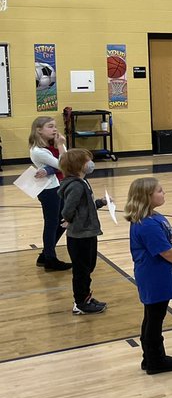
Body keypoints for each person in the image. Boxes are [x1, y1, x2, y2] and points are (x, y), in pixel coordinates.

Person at [126, 177, 172, 374]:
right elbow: (165, 251)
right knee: (155, 318)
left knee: (153, 316)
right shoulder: (147, 225)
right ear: (147, 197)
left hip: (160, 275)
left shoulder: (156, 217)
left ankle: (150, 357)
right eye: (160, 191)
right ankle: (155, 360)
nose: (164, 193)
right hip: (155, 277)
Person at [58, 148, 109, 315]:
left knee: (88, 267)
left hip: (87, 233)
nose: (91, 164)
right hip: (80, 235)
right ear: (78, 165)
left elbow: (84, 208)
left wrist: (100, 202)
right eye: (88, 161)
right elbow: (67, 210)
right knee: (82, 270)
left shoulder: (82, 183)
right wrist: (70, 220)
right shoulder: (76, 186)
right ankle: (80, 303)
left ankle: (85, 297)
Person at [28, 115, 72, 271]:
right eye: (50, 126)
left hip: (57, 186)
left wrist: (48, 169)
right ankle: (50, 259)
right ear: (39, 130)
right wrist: (61, 146)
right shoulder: (38, 150)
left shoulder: (49, 145)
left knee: (63, 221)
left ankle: (46, 254)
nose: (54, 129)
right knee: (52, 224)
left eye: (55, 126)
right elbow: (65, 164)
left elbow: (67, 162)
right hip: (48, 190)